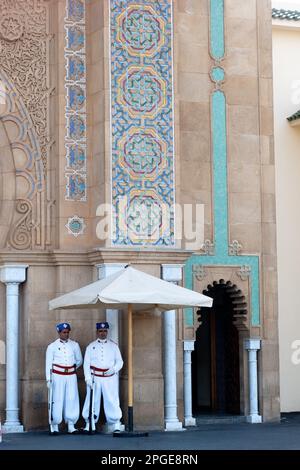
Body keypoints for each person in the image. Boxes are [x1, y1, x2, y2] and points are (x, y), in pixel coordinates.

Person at [82, 322, 123, 433]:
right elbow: (86, 364)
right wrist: (88, 378)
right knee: (92, 400)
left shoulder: (114, 346)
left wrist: (114, 369)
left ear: (107, 331)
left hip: (109, 377)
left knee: (112, 400)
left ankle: (115, 423)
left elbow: (120, 361)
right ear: (97, 332)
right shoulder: (91, 346)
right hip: (95, 377)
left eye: (105, 331)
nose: (103, 333)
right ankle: (89, 423)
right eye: (100, 331)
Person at [45, 323, 83, 435]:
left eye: (67, 332)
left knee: (72, 398)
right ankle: (55, 425)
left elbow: (79, 360)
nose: (66, 334)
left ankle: (71, 425)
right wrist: (48, 379)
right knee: (57, 399)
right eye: (63, 332)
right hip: (57, 375)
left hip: (71, 375)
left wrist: (71, 367)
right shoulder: (52, 346)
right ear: (59, 332)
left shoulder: (75, 345)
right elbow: (48, 364)